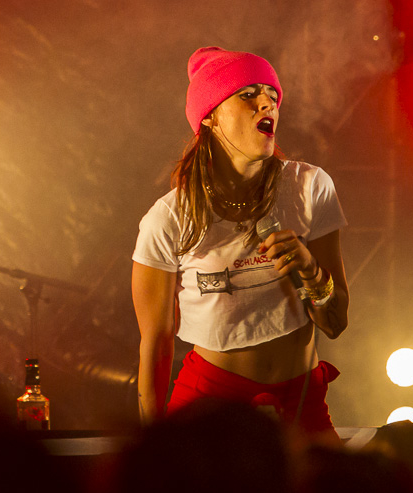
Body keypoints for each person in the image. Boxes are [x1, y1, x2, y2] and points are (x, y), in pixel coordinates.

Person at [131, 46, 349, 443]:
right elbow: (157, 345)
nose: (267, 102)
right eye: (248, 94)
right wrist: (151, 448)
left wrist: (311, 271)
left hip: (300, 401)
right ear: (209, 116)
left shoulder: (309, 187)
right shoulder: (169, 218)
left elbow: (336, 323)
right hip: (211, 407)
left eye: (272, 94)